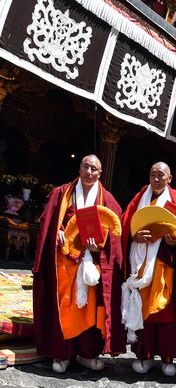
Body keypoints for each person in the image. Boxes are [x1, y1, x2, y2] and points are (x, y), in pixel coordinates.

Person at [33, 154, 124, 373]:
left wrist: (99, 247)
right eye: (86, 167)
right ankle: (62, 353)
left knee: (89, 310)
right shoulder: (61, 194)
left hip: (91, 262)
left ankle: (86, 353)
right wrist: (57, 232)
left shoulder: (107, 200)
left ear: (100, 173)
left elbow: (116, 234)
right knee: (65, 306)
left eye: (94, 169)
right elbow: (48, 222)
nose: (89, 172)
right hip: (65, 262)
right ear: (80, 167)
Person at [121, 162, 176, 376]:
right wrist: (133, 236)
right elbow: (127, 223)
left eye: (161, 175)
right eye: (152, 174)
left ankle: (168, 358)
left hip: (164, 264)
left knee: (164, 311)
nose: (156, 179)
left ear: (169, 178)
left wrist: (175, 241)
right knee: (144, 311)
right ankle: (145, 355)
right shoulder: (139, 198)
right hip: (141, 263)